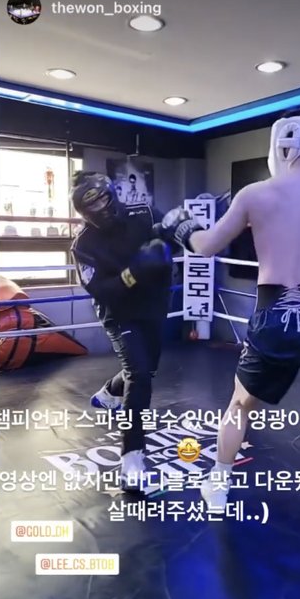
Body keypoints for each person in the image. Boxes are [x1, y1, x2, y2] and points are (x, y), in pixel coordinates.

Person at [155, 106, 300, 509]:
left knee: (239, 404)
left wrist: (182, 225)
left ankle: (217, 486)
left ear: (280, 141)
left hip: (273, 313)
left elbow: (205, 247)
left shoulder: (256, 193)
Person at [70, 173, 173, 490]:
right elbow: (102, 291)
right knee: (139, 375)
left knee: (146, 369)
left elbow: (166, 238)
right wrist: (133, 272)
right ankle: (132, 461)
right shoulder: (83, 245)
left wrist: (172, 238)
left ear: (112, 194)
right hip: (120, 313)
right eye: (93, 205)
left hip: (154, 304)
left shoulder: (144, 212)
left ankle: (108, 393)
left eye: (103, 198)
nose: (102, 207)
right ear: (84, 212)